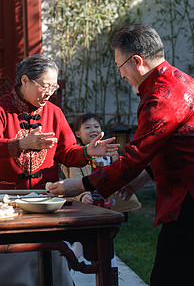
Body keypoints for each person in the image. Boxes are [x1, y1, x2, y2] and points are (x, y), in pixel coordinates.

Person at [48, 23, 194, 285]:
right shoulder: (181, 80)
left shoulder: (161, 97)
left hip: (188, 199)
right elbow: (175, 145)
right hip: (185, 193)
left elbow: (133, 158)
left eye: (120, 67)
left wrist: (79, 184)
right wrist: (143, 178)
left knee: (169, 276)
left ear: (136, 61)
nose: (121, 75)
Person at [0, 54, 119, 286]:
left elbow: (67, 153)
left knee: (51, 252)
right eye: (45, 86)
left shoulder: (53, 112)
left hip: (46, 200)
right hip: (6, 201)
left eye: (54, 86)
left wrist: (87, 152)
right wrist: (21, 144)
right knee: (9, 256)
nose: (50, 92)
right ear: (25, 81)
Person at [60, 113, 141, 213]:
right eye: (88, 127)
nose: (93, 130)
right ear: (78, 134)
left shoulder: (110, 151)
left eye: (96, 126)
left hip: (110, 199)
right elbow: (75, 177)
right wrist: (83, 195)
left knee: (113, 222)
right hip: (89, 199)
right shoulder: (77, 155)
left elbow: (119, 170)